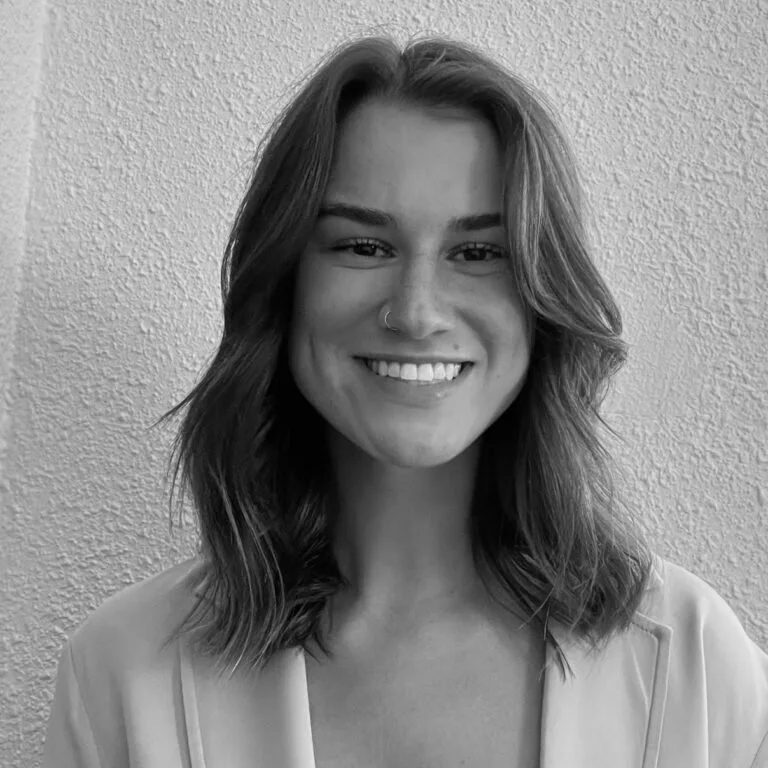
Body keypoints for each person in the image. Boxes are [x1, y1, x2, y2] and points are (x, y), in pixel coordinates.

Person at [43, 33, 768, 768]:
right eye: (362, 247)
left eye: (479, 253)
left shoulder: (696, 665)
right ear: (283, 286)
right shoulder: (121, 671)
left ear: (543, 301)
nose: (417, 312)